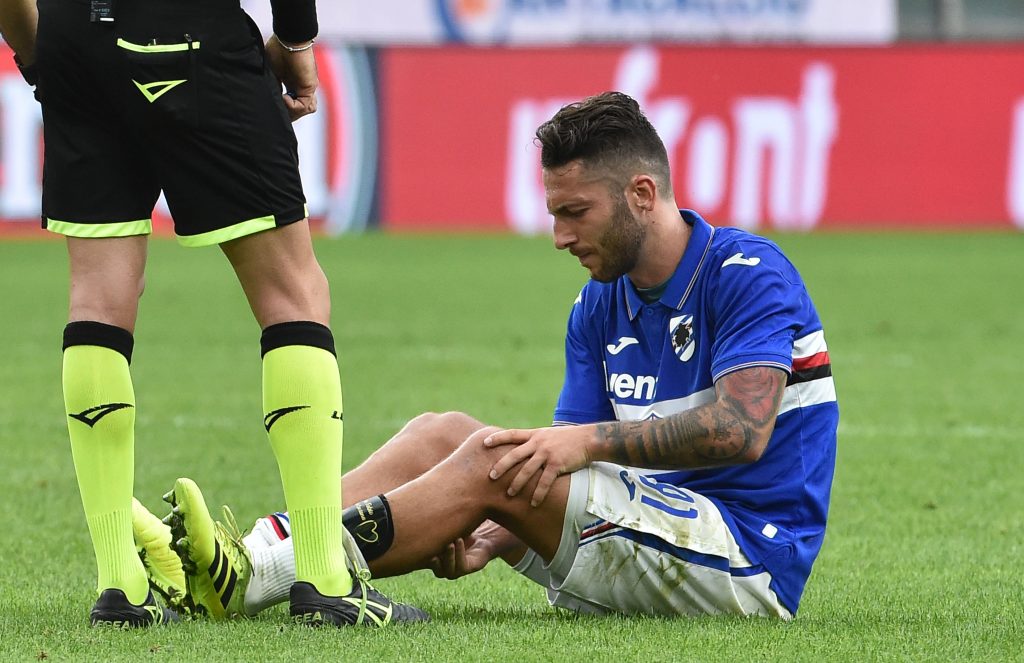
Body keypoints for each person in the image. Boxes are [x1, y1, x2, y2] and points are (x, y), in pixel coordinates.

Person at [137, 90, 838, 620]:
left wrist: (571, 450)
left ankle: (259, 577)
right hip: (648, 528)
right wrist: (495, 535)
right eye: (554, 213)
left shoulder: (746, 274)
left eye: (575, 212)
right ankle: (248, 550)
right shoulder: (599, 303)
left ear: (642, 194)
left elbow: (742, 429)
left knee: (485, 459)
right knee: (442, 433)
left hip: (746, 560)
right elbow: (561, 470)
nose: (559, 236)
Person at [0, 0, 424, 628]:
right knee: (294, 295)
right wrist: (296, 40)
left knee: (97, 300)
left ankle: (121, 588)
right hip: (190, 34)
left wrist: (44, 48)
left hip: (72, 37)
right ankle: (324, 580)